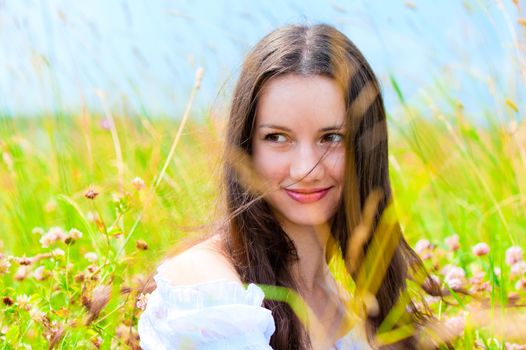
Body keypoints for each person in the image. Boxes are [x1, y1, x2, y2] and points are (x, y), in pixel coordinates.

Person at [138, 23, 439, 350]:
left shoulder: (351, 306)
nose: (306, 168)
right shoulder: (207, 287)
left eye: (332, 138)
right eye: (278, 138)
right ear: (247, 147)